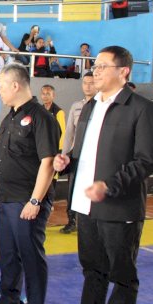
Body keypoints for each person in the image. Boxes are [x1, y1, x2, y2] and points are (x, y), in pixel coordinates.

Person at [54, 46, 153, 304]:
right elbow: (86, 154)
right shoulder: (89, 107)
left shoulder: (142, 109)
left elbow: (146, 161)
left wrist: (109, 185)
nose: (95, 71)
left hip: (119, 208)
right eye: (94, 66)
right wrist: (67, 163)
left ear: (123, 71)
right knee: (93, 269)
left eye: (102, 66)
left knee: (122, 275)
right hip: (85, 206)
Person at [0, 63, 59, 304]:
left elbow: (47, 162)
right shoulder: (9, 118)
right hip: (7, 198)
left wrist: (35, 202)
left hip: (27, 201)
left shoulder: (41, 118)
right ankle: (10, 301)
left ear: (15, 85)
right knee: (9, 255)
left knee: (31, 257)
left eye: (1, 86)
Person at [59, 71, 96, 234]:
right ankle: (71, 220)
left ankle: (89, 222)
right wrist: (65, 154)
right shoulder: (76, 106)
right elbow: (69, 134)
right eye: (85, 83)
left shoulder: (102, 106)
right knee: (72, 188)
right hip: (76, 155)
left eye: (91, 82)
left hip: (94, 156)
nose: (88, 86)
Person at [40, 84, 66, 151]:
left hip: (54, 148)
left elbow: (63, 132)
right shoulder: (39, 110)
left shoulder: (59, 112)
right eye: (43, 94)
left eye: (48, 94)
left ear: (53, 96)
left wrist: (60, 149)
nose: (45, 96)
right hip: (42, 146)